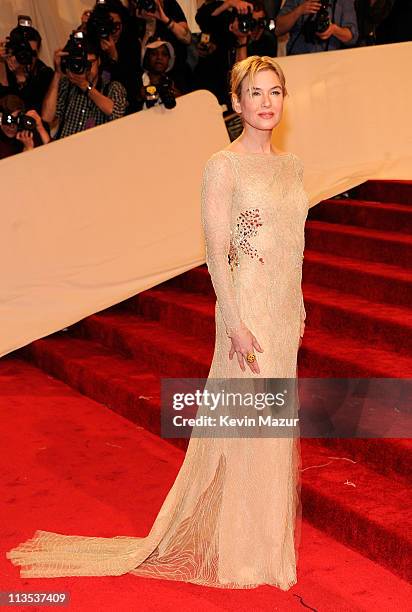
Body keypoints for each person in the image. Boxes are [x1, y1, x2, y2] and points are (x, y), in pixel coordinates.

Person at [6, 55, 304, 589]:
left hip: (282, 313)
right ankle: (239, 554)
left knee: (272, 427)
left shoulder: (293, 167)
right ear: (236, 103)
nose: (266, 103)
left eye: (274, 92)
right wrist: (233, 320)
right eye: (255, 93)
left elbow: (294, 247)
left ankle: (269, 549)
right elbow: (216, 250)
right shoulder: (224, 165)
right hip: (247, 312)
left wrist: (297, 310)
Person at [41, 39, 127, 140]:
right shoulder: (67, 85)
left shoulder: (113, 87)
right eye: (82, 63)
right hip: (65, 148)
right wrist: (57, 74)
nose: (87, 69)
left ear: (99, 61)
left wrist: (86, 86)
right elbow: (47, 117)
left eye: (90, 63)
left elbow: (117, 113)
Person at [0, 23, 54, 114]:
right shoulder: (4, 66)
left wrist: (21, 79)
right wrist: (1, 65)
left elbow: (32, 112)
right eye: (23, 51)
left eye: (32, 53)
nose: (28, 56)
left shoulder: (45, 74)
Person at [276, 0, 358, 55]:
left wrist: (333, 29)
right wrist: (299, 10)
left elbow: (352, 37)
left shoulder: (343, 1)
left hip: (330, 60)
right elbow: (277, 29)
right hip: (298, 57)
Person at [0, 94, 50, 159]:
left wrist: (40, 128)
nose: (11, 126)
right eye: (7, 120)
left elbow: (54, 155)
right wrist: (28, 149)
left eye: (16, 120)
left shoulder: (28, 134)